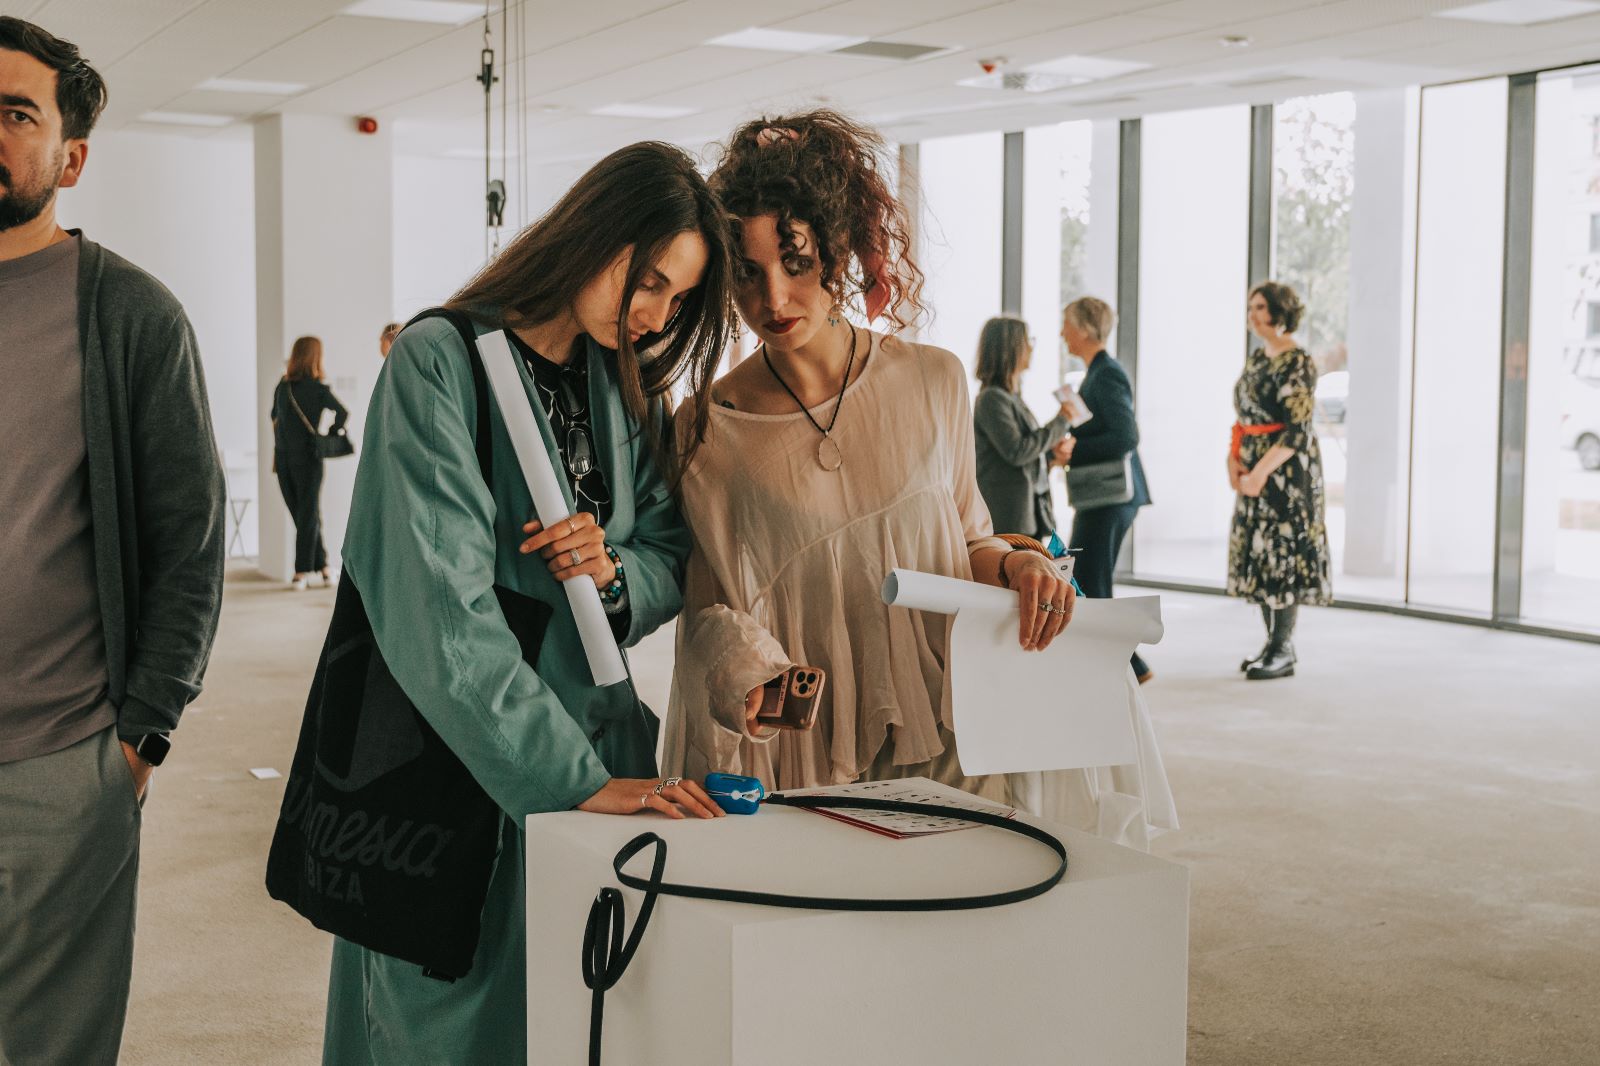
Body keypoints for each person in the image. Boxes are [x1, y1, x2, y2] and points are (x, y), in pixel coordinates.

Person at [323, 140, 734, 1065]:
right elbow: (441, 618)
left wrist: (612, 570)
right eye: (650, 283)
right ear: (594, 232)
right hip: (462, 760)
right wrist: (571, 781)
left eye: (677, 300)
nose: (656, 316)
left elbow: (669, 551)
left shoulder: (622, 382)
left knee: (578, 1018)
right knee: (450, 1020)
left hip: (598, 752)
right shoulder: (439, 361)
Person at [659, 110, 1078, 801]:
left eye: (796, 264)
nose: (773, 297)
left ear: (837, 250)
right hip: (809, 749)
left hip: (950, 726)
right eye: (747, 273)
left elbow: (966, 541)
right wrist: (754, 683)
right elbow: (707, 612)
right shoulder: (708, 428)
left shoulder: (933, 379)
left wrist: (1019, 563)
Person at [0, 17, 226, 1065]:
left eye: (16, 113)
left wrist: (142, 737)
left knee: (49, 1046)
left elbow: (191, 542)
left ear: (71, 157)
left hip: (61, 757)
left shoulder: (132, 316)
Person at [1227, 281, 1331, 680]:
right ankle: (1272, 643)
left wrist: (1259, 473)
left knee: (1281, 555)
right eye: (1250, 307)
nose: (1252, 315)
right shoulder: (1257, 358)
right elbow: (1243, 419)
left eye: (1260, 307)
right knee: (1258, 554)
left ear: (1279, 312)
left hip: (1285, 475)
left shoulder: (1297, 361)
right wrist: (1233, 461)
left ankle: (1282, 647)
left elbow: (1297, 431)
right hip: (1254, 466)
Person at [1059, 296, 1154, 683]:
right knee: (1087, 579)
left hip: (1111, 497)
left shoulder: (1106, 374)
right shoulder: (1096, 373)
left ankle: (1129, 668)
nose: (1062, 332)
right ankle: (1127, 667)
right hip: (1103, 497)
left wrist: (1075, 448)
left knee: (1088, 580)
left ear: (1084, 329)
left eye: (1066, 323)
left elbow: (1126, 435)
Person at [972, 315, 1075, 539]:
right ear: (1010, 348)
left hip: (1027, 512)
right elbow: (1017, 452)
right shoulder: (992, 399)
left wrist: (1050, 456)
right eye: (1027, 341)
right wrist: (1060, 421)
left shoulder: (1011, 397)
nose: (1031, 348)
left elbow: (1023, 454)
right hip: (1008, 518)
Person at [269, 335, 347, 590]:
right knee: (307, 515)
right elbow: (342, 413)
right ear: (316, 357)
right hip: (305, 459)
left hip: (287, 458)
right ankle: (323, 567)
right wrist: (331, 433)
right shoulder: (310, 388)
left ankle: (301, 572)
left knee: (305, 514)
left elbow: (274, 419)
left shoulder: (284, 387)